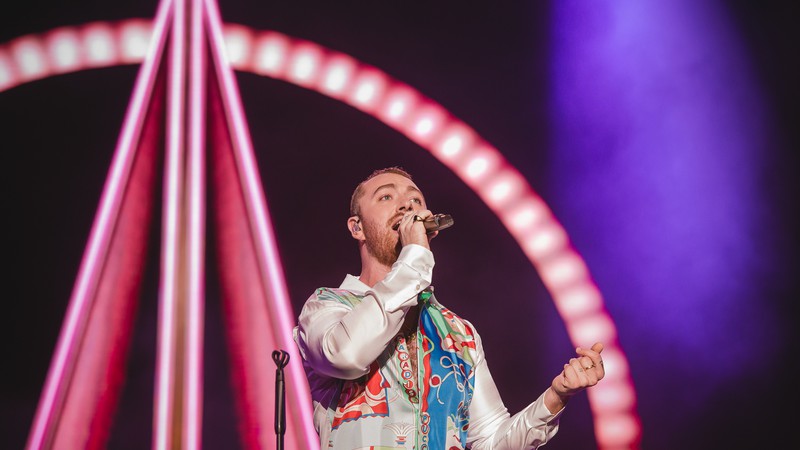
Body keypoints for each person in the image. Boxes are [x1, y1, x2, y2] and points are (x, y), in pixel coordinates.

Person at [293, 166, 605, 449]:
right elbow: (346, 355)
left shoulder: (459, 333)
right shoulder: (327, 307)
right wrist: (414, 256)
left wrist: (556, 397)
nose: (406, 206)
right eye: (386, 196)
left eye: (415, 201)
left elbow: (491, 440)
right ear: (356, 227)